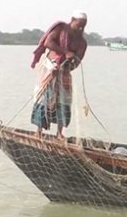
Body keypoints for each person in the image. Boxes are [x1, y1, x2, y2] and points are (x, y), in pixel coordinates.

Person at [30, 11, 89, 140]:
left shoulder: (82, 42)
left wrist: (69, 64)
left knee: (64, 100)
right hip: (49, 68)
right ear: (72, 20)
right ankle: (38, 131)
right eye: (78, 25)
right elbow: (48, 43)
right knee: (43, 98)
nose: (80, 28)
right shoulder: (61, 29)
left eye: (83, 26)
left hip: (64, 72)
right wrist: (65, 52)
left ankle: (59, 133)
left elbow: (78, 59)